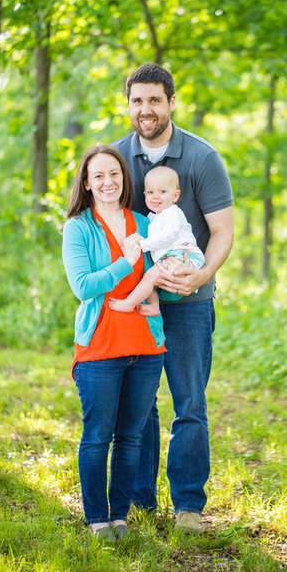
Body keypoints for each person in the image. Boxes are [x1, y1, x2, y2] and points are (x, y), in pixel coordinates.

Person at [112, 64, 234, 533]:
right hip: (138, 303)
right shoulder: (117, 156)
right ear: (129, 104)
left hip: (188, 301)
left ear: (170, 103)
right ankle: (141, 501)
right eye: (137, 101)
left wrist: (202, 273)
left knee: (189, 403)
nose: (145, 110)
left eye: (154, 100)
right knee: (140, 405)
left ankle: (188, 507)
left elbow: (222, 231)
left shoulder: (202, 158)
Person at [62, 143, 166, 541]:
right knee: (98, 435)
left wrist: (156, 295)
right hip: (100, 348)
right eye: (98, 175)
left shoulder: (144, 221)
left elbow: (157, 273)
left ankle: (120, 515)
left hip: (145, 347)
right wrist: (125, 259)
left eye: (115, 174)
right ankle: (97, 518)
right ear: (87, 184)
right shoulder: (78, 227)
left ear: (125, 178)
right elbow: (83, 286)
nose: (108, 182)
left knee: (131, 436)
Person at [108, 165, 205, 316]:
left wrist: (142, 245)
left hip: (182, 254)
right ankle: (154, 306)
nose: (156, 197)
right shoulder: (152, 218)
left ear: (175, 196)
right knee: (148, 276)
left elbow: (169, 235)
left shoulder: (172, 213)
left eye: (162, 192)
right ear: (145, 194)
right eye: (151, 192)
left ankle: (128, 304)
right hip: (171, 257)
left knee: (149, 277)